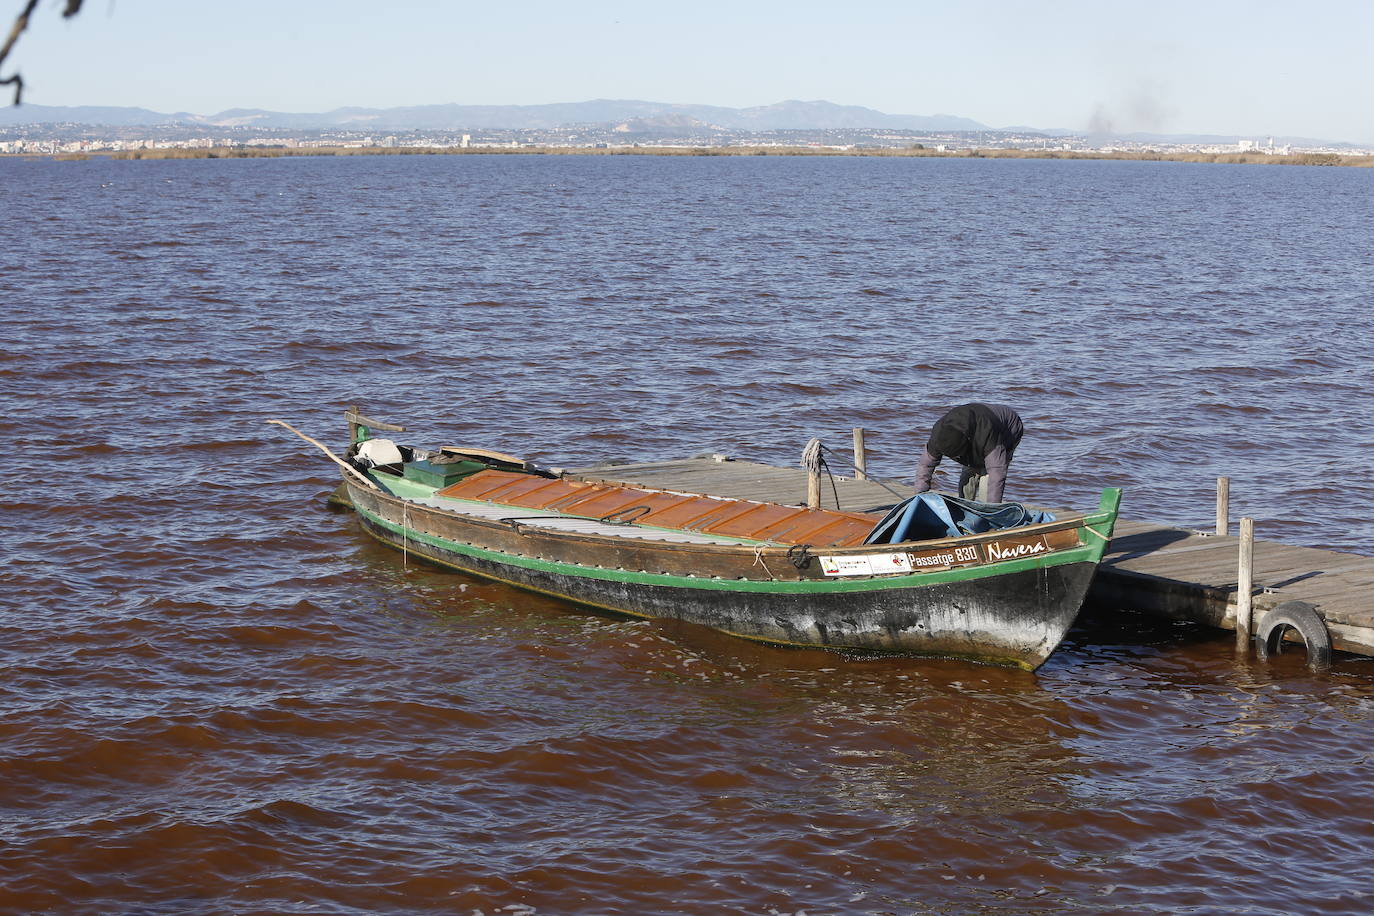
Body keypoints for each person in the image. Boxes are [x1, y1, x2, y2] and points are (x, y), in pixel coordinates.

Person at [914, 403, 1024, 504]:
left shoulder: (987, 435)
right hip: (973, 431)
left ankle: (985, 516)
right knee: (969, 472)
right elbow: (925, 465)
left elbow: (996, 476)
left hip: (1008, 428)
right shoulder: (938, 436)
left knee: (986, 481)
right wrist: (920, 497)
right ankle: (964, 507)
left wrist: (992, 510)